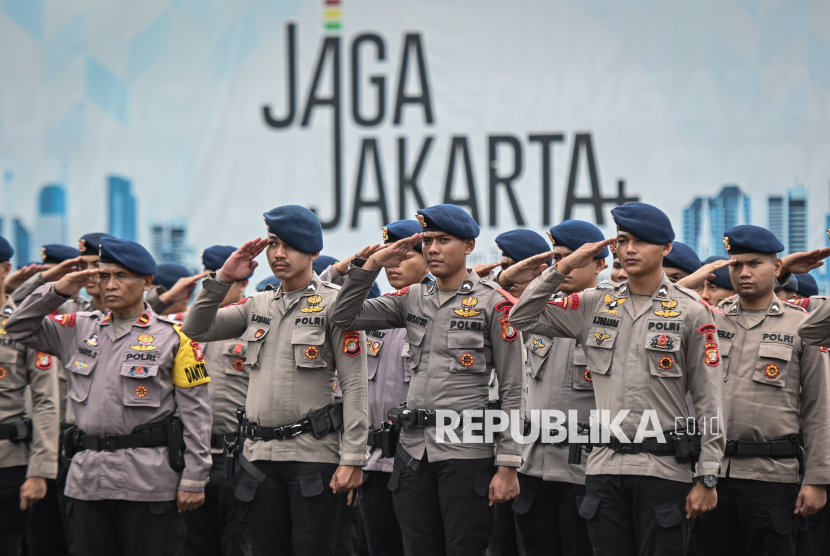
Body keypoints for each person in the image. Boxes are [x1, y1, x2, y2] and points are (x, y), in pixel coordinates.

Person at [505, 202, 726, 556]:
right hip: (604, 466)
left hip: (664, 469)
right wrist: (561, 267)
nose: (630, 250)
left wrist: (708, 475)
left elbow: (709, 399)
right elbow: (522, 317)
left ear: (666, 247)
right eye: (622, 240)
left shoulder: (691, 311)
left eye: (642, 241)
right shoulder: (594, 304)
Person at [330, 204, 524, 556]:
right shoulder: (412, 299)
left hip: (467, 451)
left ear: (468, 246)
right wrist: (371, 265)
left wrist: (508, 463)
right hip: (413, 452)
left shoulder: (494, 304)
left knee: (464, 548)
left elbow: (513, 388)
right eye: (428, 241)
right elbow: (342, 316)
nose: (433, 249)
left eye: (444, 240)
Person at [4, 237, 212, 556]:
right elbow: (16, 327)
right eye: (104, 276)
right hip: (89, 481)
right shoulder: (76, 328)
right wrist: (58, 289)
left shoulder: (176, 338)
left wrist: (194, 479)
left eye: (121, 276)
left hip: (149, 483)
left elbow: (196, 415)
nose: (110, 285)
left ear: (147, 282)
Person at [182, 205, 368, 556]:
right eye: (273, 244)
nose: (279, 254)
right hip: (258, 457)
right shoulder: (258, 305)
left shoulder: (336, 305)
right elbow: (196, 328)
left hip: (313, 457)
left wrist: (353, 457)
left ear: (314, 251)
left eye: (291, 246)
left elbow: (356, 386)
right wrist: (222, 278)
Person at [675, 225, 830, 556]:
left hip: (772, 478)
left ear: (777, 268)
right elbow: (660, 302)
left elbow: (818, 408)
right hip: (710, 476)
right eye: (736, 265)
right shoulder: (709, 320)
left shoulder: (802, 324)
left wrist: (817, 479)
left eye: (755, 264)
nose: (743, 272)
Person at [322, 220, 430, 556]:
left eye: (404, 256)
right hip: (375, 463)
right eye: (388, 256)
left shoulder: (444, 311)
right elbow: (322, 305)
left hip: (423, 461)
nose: (392, 264)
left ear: (430, 258)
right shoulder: (377, 314)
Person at [510, 221, 604, 556]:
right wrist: (555, 271)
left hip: (585, 470)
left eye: (574, 259)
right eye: (558, 259)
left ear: (600, 264)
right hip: (533, 466)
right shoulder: (541, 313)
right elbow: (512, 312)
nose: (564, 266)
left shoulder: (611, 313)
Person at [153, 246, 252, 556]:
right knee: (191, 544)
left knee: (238, 543)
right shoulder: (180, 326)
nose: (219, 285)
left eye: (228, 280)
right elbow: (127, 320)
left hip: (237, 455)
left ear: (244, 283)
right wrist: (167, 298)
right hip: (186, 454)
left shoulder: (257, 325)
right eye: (213, 278)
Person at [484, 228, 552, 556]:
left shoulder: (559, 320)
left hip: (541, 463)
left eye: (513, 275)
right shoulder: (492, 318)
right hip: (493, 457)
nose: (504, 282)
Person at [0, 235, 60, 556]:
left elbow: (46, 401)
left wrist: (39, 471)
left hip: (8, 463)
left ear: (5, 269)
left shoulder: (24, 327)